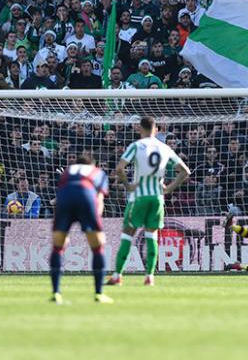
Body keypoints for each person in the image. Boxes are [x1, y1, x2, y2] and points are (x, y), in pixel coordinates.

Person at [107, 116, 191, 286]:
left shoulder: (136, 146)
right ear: (156, 129)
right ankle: (149, 277)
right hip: (157, 199)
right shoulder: (164, 147)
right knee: (151, 235)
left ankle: (117, 275)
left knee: (127, 234)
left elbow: (119, 168)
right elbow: (185, 171)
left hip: (138, 197)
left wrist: (128, 185)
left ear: (140, 129)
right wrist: (168, 188)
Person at [50, 153, 113, 304]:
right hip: (86, 196)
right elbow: (99, 198)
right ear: (92, 164)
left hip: (65, 199)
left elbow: (61, 194)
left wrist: (60, 226)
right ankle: (99, 293)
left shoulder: (67, 171)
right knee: (98, 247)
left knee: (58, 246)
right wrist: (95, 222)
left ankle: (56, 293)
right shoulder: (98, 172)